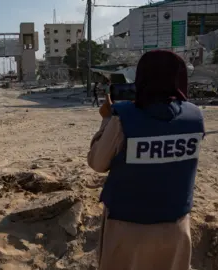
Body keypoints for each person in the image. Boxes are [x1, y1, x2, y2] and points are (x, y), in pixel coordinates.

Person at [87, 50, 205, 270]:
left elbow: (97, 163)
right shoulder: (195, 117)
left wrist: (106, 120)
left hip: (127, 227)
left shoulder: (123, 118)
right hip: (177, 227)